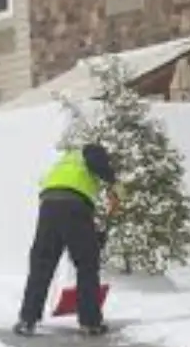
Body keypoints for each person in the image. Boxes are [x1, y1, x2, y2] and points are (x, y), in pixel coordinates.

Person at [14, 142, 123, 337]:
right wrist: (115, 183)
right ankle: (90, 323)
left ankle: (26, 320)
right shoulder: (90, 151)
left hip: (48, 206)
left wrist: (95, 239)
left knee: (42, 263)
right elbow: (96, 161)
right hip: (73, 205)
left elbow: (79, 226)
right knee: (87, 264)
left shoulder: (66, 162)